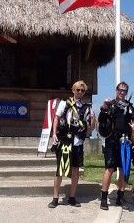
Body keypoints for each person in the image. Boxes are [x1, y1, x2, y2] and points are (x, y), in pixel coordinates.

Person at [48, 80, 95, 208]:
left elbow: (91, 128)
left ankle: (72, 197)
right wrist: (54, 134)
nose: (80, 92)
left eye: (82, 90)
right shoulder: (65, 103)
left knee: (75, 170)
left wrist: (93, 119)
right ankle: (55, 198)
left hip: (78, 142)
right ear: (73, 90)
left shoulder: (87, 108)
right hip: (64, 140)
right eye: (78, 90)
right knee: (60, 170)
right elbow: (56, 118)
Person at [98, 81, 134, 210]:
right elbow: (101, 120)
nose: (122, 92)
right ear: (116, 90)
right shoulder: (110, 104)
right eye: (120, 89)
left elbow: (133, 124)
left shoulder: (130, 107)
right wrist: (104, 107)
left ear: (126, 92)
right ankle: (104, 199)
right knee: (109, 169)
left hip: (125, 142)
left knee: (123, 170)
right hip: (111, 141)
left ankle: (120, 198)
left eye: (124, 90)